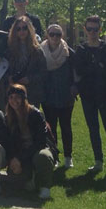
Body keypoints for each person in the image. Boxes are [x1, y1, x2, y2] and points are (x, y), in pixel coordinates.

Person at [73, 15, 106, 177]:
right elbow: (80, 70)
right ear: (85, 30)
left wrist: (91, 66)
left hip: (105, 95)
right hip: (88, 96)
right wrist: (96, 65)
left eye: (95, 29)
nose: (92, 32)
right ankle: (98, 162)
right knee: (93, 130)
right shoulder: (80, 49)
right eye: (89, 29)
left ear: (100, 30)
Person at [4, 84, 56, 200]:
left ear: (24, 98)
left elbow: (40, 142)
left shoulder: (35, 114)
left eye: (17, 97)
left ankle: (45, 187)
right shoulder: (8, 118)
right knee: (16, 181)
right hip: (21, 153)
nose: (14, 100)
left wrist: (20, 158)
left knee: (43, 156)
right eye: (11, 97)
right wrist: (13, 159)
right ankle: (32, 177)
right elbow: (9, 143)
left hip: (38, 149)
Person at [40, 24, 76, 169]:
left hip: (65, 95)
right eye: (52, 34)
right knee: (51, 127)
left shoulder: (69, 53)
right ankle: (54, 156)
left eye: (58, 34)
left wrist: (74, 86)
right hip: (48, 95)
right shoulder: (41, 52)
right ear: (47, 35)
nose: (55, 37)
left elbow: (75, 72)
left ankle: (68, 156)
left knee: (66, 126)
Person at [3, 16, 46, 110]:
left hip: (32, 92)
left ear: (29, 29)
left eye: (24, 28)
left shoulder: (37, 50)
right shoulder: (9, 50)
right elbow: (3, 70)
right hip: (14, 92)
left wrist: (29, 79)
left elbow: (43, 72)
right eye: (18, 29)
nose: (21, 31)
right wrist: (9, 78)